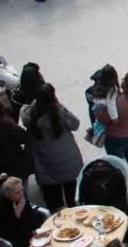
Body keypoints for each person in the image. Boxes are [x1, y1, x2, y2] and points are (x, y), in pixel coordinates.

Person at [20, 83, 84, 211]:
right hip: (67, 159)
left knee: (53, 201)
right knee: (70, 193)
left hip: (44, 162)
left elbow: (23, 116)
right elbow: (75, 124)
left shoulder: (29, 114)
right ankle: (72, 211)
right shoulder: (60, 112)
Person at [0, 176, 45, 247]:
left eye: (22, 190)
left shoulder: (21, 199)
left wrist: (34, 231)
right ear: (7, 194)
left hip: (27, 231)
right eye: (17, 193)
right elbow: (11, 232)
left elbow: (31, 219)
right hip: (12, 239)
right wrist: (17, 215)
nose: (21, 194)